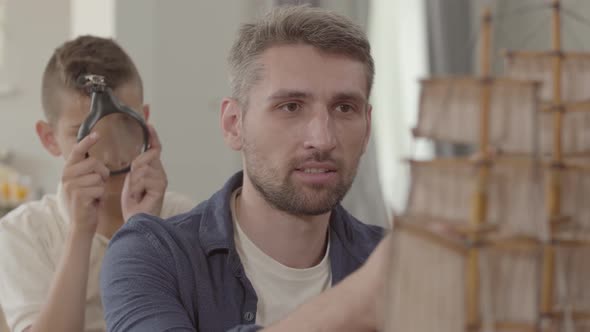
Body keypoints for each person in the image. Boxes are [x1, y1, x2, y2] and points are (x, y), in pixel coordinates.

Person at [100, 5, 386, 331]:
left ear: (367, 127)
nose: (322, 139)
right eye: (290, 107)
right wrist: (352, 304)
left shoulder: (392, 261)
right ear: (234, 124)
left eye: (345, 108)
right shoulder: (151, 255)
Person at [0, 35, 195, 332]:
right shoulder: (23, 233)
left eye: (124, 126)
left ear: (144, 121)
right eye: (84, 134)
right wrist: (80, 233)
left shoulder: (187, 220)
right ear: (49, 138)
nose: (111, 155)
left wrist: (142, 229)